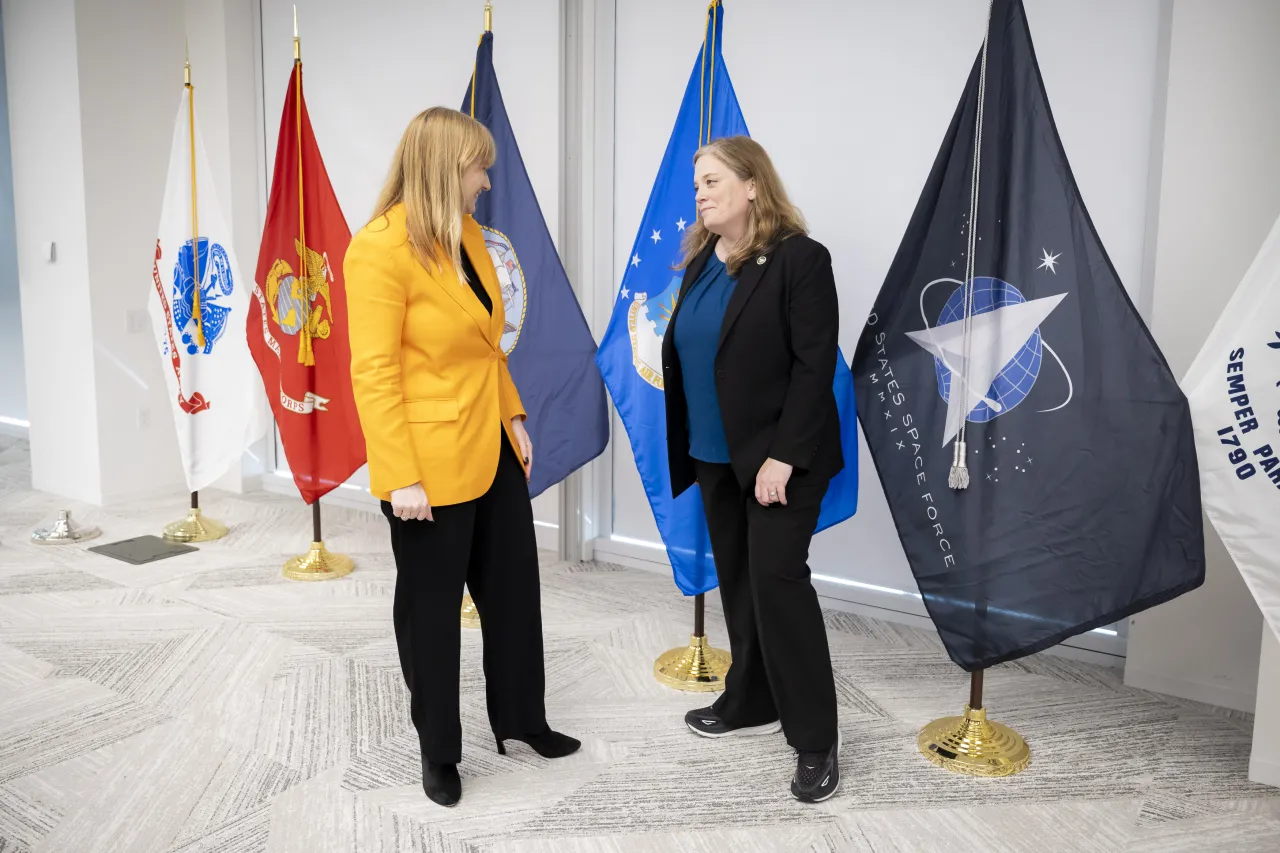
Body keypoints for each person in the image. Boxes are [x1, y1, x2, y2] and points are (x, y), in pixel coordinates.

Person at [345, 106, 579, 808]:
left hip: (492, 443)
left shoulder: (469, 237)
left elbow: (485, 342)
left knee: (513, 593)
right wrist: (400, 475)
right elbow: (375, 373)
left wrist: (513, 412)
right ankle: (439, 751)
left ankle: (522, 719)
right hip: (426, 466)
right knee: (432, 607)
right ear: (448, 166)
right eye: (479, 166)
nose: (486, 180)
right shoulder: (379, 250)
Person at [661, 135, 844, 803]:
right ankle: (752, 698)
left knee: (778, 584)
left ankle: (816, 739)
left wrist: (785, 456)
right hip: (715, 455)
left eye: (712, 181)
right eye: (697, 185)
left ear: (752, 186)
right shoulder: (702, 260)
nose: (701, 194)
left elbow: (813, 365)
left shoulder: (800, 260)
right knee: (738, 581)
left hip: (779, 461)